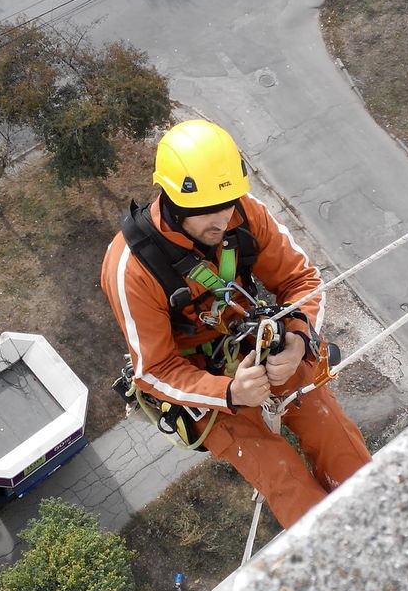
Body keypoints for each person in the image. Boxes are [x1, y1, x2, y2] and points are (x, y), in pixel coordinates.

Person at [100, 119, 371, 529]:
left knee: (332, 431)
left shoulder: (243, 213)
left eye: (227, 206)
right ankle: (333, 553)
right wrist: (230, 391)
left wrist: (298, 337)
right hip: (203, 386)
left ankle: (378, 517)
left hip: (255, 344)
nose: (223, 221)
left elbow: (302, 280)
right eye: (207, 212)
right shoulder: (131, 269)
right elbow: (154, 371)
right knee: (285, 478)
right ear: (172, 202)